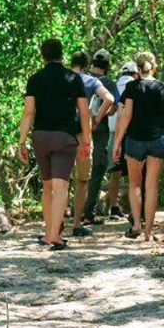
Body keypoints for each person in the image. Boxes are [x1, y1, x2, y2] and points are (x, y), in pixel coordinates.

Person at [18, 39, 92, 251]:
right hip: (64, 138)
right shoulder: (73, 78)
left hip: (40, 136)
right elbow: (84, 112)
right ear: (62, 56)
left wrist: (22, 141)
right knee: (61, 186)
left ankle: (48, 231)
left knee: (47, 186)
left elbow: (29, 112)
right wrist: (86, 139)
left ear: (43, 56)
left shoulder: (35, 79)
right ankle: (54, 236)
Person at [113, 52, 164, 242]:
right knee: (151, 186)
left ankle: (136, 225)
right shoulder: (163, 87)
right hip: (158, 139)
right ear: (154, 67)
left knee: (135, 183)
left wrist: (117, 143)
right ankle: (148, 233)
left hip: (135, 140)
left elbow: (126, 116)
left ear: (138, 68)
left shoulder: (132, 87)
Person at [69, 51, 114, 236]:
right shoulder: (90, 81)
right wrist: (96, 118)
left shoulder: (65, 78)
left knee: (61, 179)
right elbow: (109, 99)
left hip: (61, 132)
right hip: (83, 133)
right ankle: (77, 224)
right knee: (82, 180)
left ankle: (57, 222)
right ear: (87, 65)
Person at [82, 49, 119, 226]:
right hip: (100, 130)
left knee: (78, 167)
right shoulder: (108, 84)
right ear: (108, 65)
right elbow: (113, 108)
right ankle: (88, 212)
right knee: (97, 168)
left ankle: (74, 210)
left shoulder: (82, 78)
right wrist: (98, 117)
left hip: (79, 129)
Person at [106, 61, 139, 219]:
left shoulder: (113, 85)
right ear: (135, 73)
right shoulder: (136, 85)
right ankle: (136, 209)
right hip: (131, 132)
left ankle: (113, 207)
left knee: (115, 170)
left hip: (113, 132)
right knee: (135, 170)